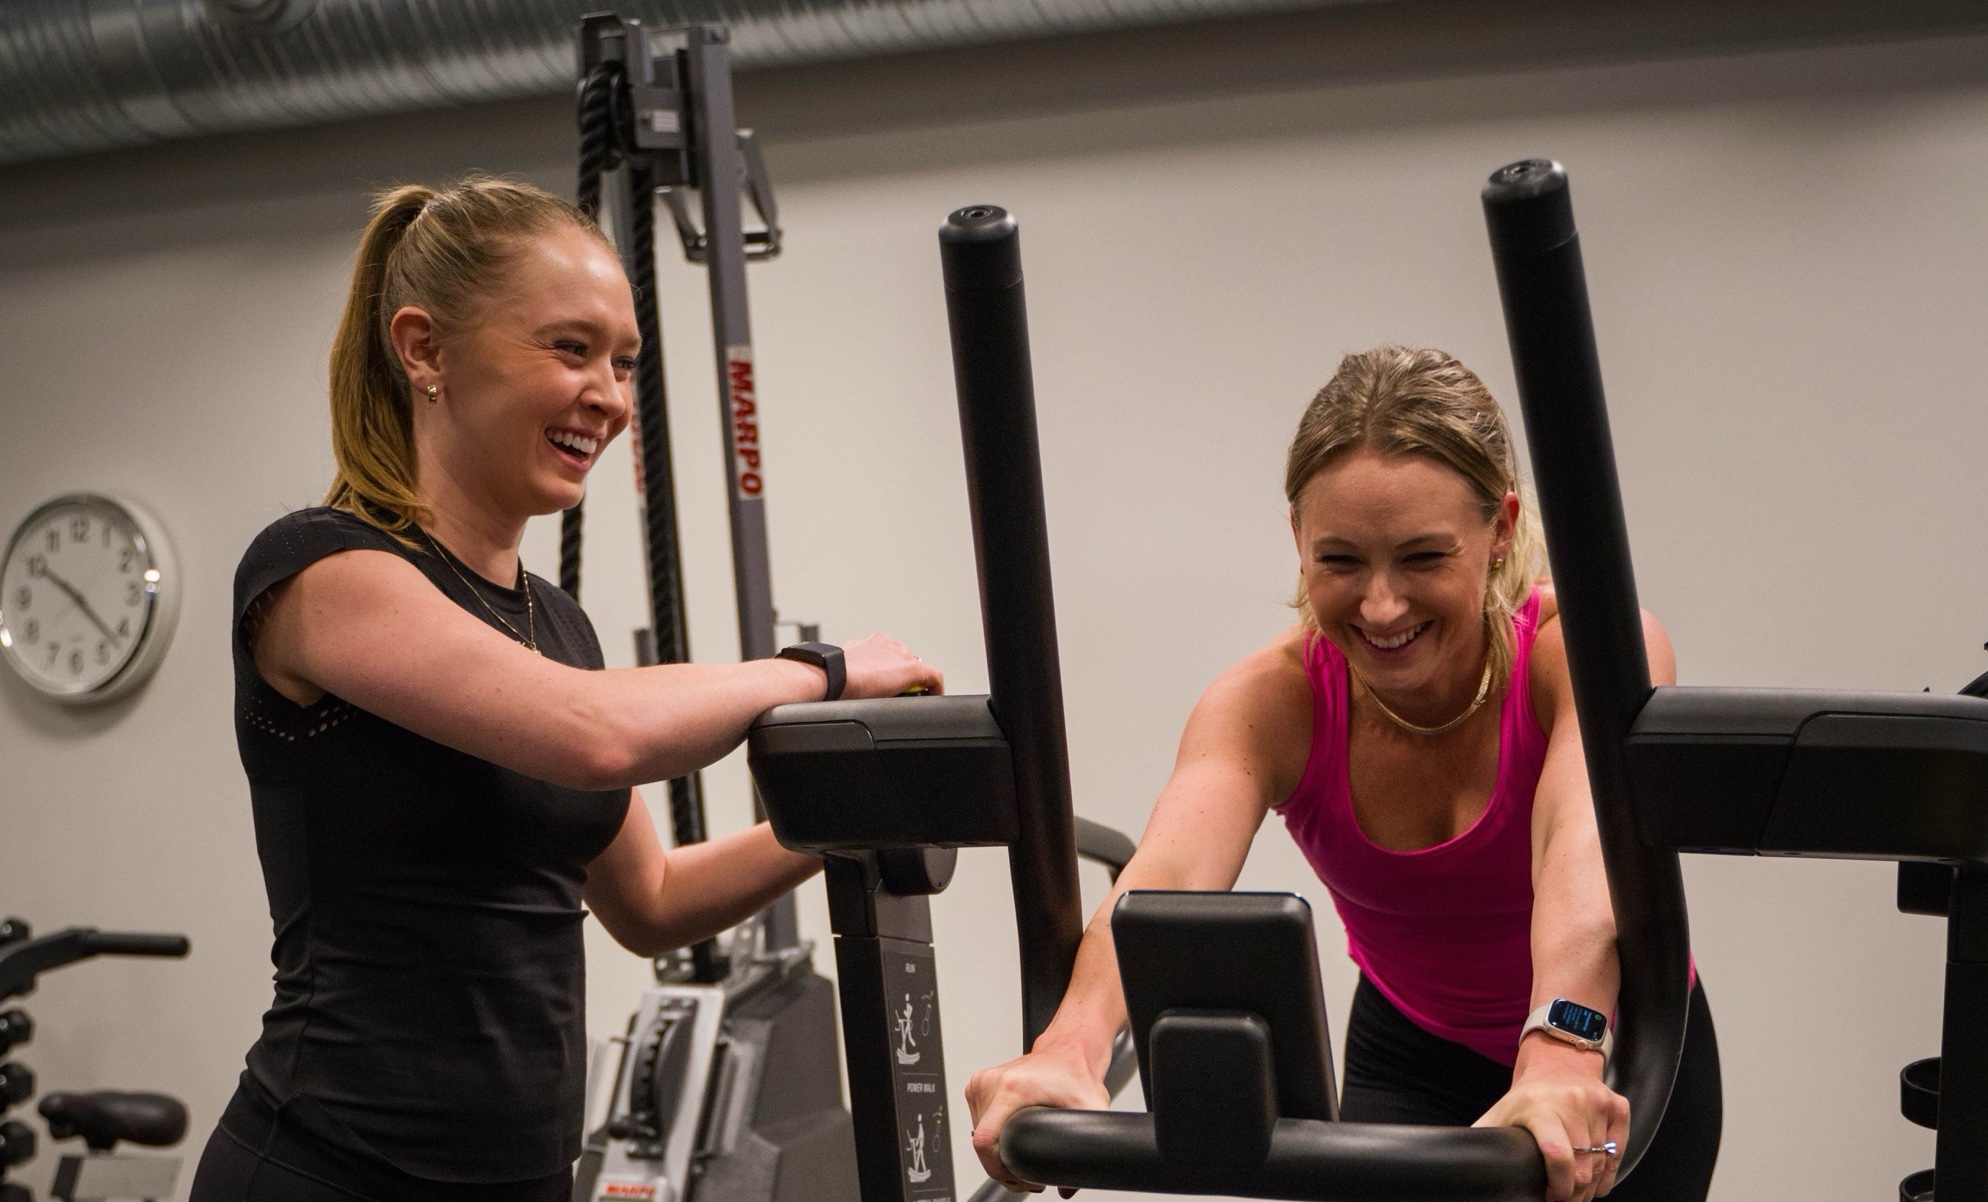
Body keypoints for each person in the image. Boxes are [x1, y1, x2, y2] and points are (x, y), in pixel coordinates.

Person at [188, 176, 942, 1202]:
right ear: (424, 350)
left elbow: (651, 899)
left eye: (624, 363)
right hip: (329, 1170)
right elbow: (592, 733)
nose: (612, 396)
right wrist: (822, 668)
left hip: (524, 1177)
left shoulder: (558, 624)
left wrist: (848, 820)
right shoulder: (322, 573)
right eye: (570, 348)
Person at [965, 346, 1719, 1202]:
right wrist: (1069, 1049)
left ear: (1500, 528)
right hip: (1409, 1055)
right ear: (1297, 539)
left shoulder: (1586, 651)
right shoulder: (1270, 702)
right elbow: (1165, 875)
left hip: (1616, 1040)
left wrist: (1557, 1054)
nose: (1382, 605)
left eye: (1424, 557)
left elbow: (1583, 855)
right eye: (1342, 561)